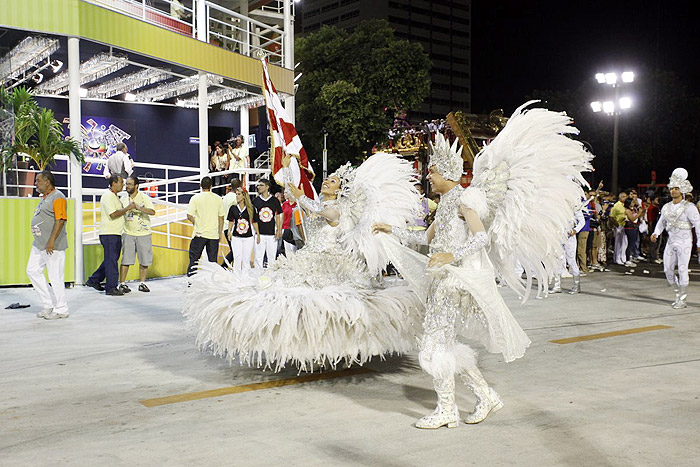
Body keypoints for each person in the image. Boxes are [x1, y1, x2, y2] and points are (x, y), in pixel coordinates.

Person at [373, 103, 591, 429]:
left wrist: (451, 255)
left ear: (447, 174)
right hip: (440, 280)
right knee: (441, 343)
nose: (427, 176)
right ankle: (486, 396)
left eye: (431, 171)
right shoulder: (444, 204)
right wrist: (394, 231)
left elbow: (480, 238)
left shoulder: (465, 199)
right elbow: (425, 239)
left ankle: (447, 410)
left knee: (433, 345)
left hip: (454, 281)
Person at [182, 152, 423, 372]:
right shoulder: (319, 204)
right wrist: (288, 170)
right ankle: (308, 350)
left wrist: (302, 197)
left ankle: (326, 350)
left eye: (333, 181)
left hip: (329, 264)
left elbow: (324, 212)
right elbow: (294, 195)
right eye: (327, 179)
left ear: (340, 191)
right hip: (307, 258)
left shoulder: (337, 210)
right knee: (281, 297)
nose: (327, 182)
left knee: (319, 308)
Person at [651, 168, 700, 309]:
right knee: (667, 270)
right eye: (672, 188)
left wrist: (699, 243)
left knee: (683, 270)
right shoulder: (666, 207)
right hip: (671, 242)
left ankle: (682, 300)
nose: (673, 191)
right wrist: (656, 233)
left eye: (676, 188)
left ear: (682, 190)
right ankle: (678, 293)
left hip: (685, 242)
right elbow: (661, 222)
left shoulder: (689, 207)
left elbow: (698, 224)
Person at [27, 171, 70, 319]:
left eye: (38, 181)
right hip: (39, 244)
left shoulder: (58, 197)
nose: (36, 183)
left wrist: (51, 241)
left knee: (55, 277)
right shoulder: (45, 198)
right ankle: (48, 304)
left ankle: (62, 309)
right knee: (32, 270)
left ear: (47, 182)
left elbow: (60, 220)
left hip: (53, 245)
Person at [86, 175, 133, 296]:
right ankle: (111, 287)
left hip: (114, 233)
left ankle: (94, 280)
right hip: (109, 233)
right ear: (113, 183)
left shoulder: (114, 197)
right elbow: (113, 214)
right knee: (112, 260)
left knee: (110, 259)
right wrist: (128, 208)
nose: (123, 185)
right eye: (121, 182)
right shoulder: (108, 196)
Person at [118, 176, 156, 293]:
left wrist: (140, 208)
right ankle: (122, 283)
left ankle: (142, 283)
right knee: (126, 259)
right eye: (127, 184)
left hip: (143, 233)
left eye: (130, 184)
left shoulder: (144, 198)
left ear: (136, 186)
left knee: (144, 260)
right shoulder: (123, 199)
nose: (127, 186)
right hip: (128, 233)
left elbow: (153, 211)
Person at [186, 176, 225, 276]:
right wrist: (220, 233)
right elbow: (221, 218)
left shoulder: (195, 198)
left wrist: (196, 223)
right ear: (211, 186)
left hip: (199, 234)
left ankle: (191, 282)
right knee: (213, 262)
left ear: (200, 185)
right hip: (213, 235)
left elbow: (189, 215)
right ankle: (212, 284)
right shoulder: (218, 199)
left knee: (194, 260)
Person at [227, 186, 259, 272]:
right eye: (236, 194)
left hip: (248, 237)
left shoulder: (251, 208)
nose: (237, 196)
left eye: (239, 194)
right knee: (237, 257)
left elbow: (254, 222)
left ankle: (245, 278)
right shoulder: (233, 208)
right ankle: (237, 277)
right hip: (236, 237)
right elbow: (231, 221)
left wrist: (258, 234)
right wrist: (229, 231)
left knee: (246, 259)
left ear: (244, 196)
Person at [252, 178, 282, 269]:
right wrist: (257, 234)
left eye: (261, 185)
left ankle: (271, 278)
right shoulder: (255, 201)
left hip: (271, 234)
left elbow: (278, 216)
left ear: (267, 187)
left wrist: (279, 230)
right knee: (258, 258)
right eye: (258, 185)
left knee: (272, 258)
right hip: (259, 234)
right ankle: (257, 277)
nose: (258, 187)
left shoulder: (274, 200)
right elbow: (253, 219)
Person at [222, 178, 243, 265]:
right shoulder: (236, 198)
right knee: (235, 251)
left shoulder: (225, 197)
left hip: (226, 226)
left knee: (235, 250)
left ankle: (226, 266)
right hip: (232, 227)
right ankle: (223, 266)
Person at [610, 191, 629, 266]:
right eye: (623, 196)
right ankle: (617, 259)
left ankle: (622, 257)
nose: (625, 198)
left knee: (624, 243)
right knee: (618, 243)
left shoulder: (625, 205)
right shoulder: (616, 205)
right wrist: (616, 224)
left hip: (625, 226)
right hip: (619, 226)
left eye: (626, 196)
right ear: (620, 197)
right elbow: (611, 216)